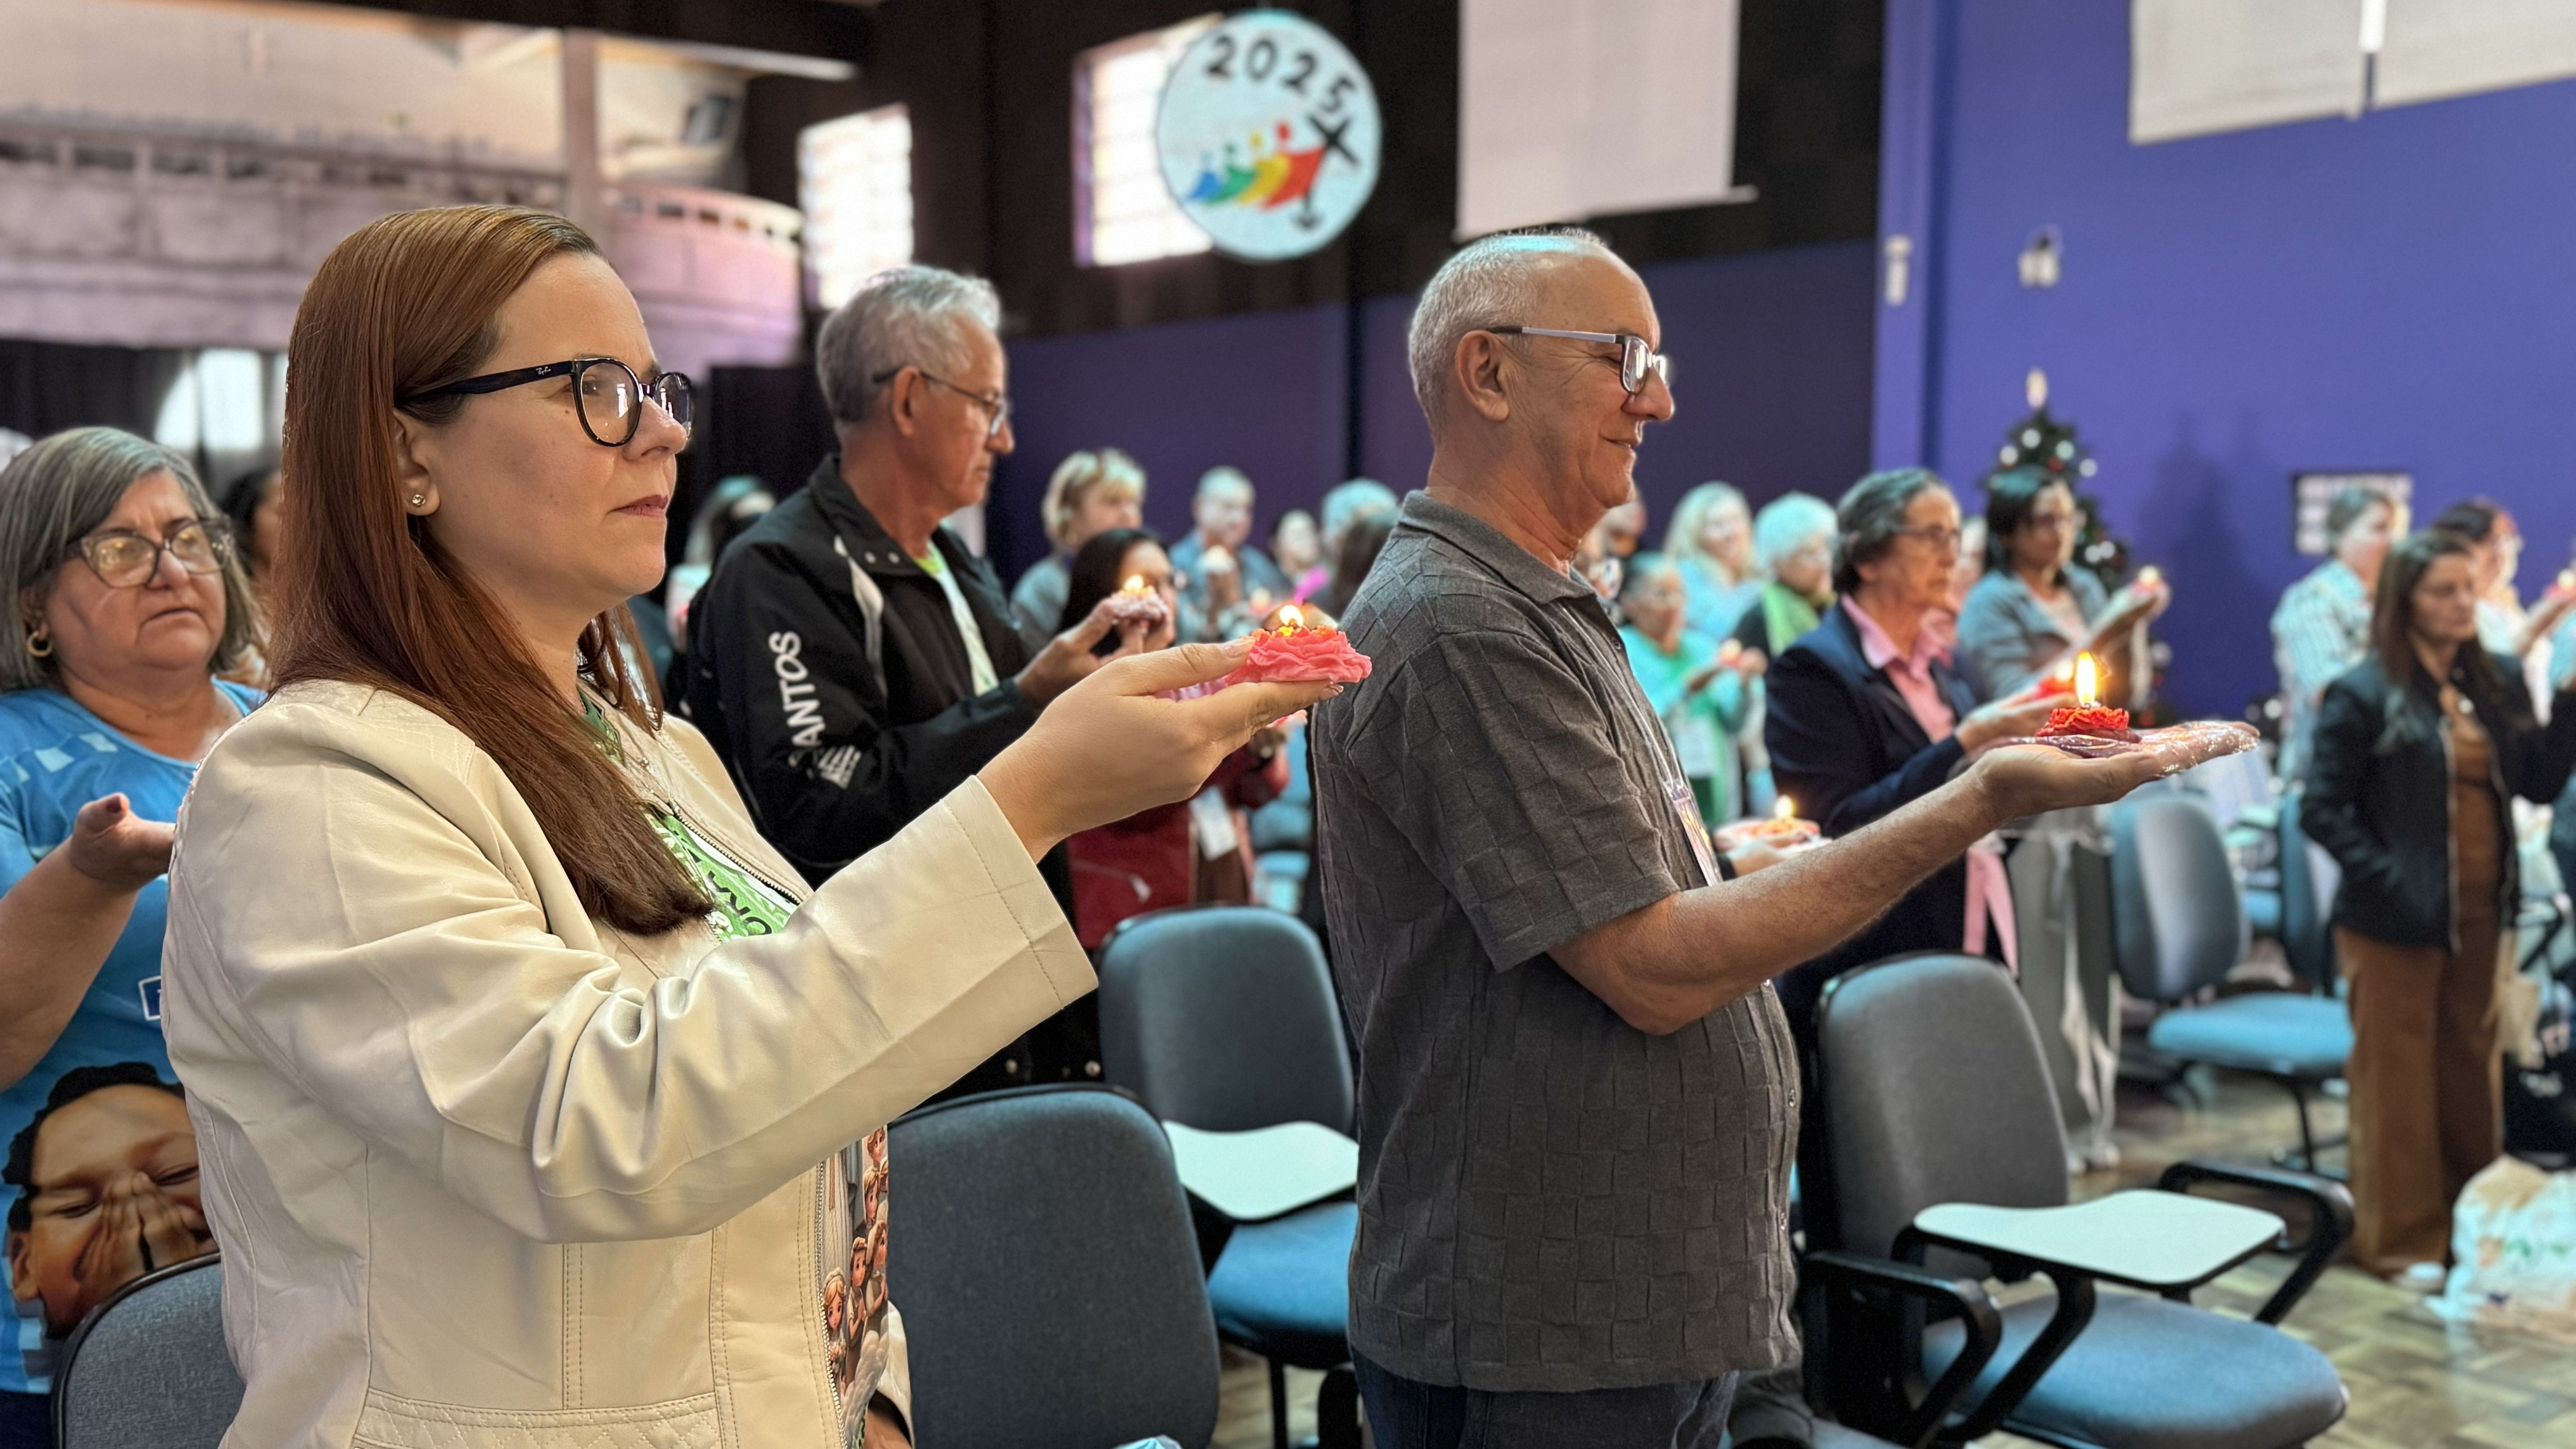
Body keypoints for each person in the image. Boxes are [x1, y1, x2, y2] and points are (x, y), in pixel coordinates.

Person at [161, 204, 1332, 1449]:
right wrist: (1032, 791)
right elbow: (607, 1127)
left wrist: (870, 1389)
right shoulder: (311, 786)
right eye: (596, 388)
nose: (664, 424)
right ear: (405, 453)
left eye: (657, 384)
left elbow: (798, 1098)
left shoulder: (660, 753)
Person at [1308, 228, 2221, 1447]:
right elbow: (1647, 964)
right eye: (1625, 356)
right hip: (1541, 1316)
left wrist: (1756, 847)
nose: (1663, 396)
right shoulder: (1461, 620)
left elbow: (1582, 906)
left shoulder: (1532, 596)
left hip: (1626, 1294)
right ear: (1488, 373)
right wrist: (1980, 798)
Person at [685, 265, 1138, 1090]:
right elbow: (820, 810)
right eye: (987, 405)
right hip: (893, 1039)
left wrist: (1098, 670)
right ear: (907, 400)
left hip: (1008, 997)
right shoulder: (779, 569)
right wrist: (1028, 697)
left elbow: (1021, 720)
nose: (1003, 438)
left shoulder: (952, 556)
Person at [0, 427, 258, 1436]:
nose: (169, 567)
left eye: (189, 536)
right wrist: (93, 874)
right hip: (63, 1328)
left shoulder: (301, 728)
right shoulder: (17, 760)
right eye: (118, 546)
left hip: (306, 1292)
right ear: (32, 605)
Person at [2301, 529, 2576, 1288]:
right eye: (2443, 591)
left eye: (2467, 588)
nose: (2462, 603)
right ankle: (2398, 1242)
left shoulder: (2487, 681)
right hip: (2390, 919)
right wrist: (2386, 875)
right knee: (2395, 1082)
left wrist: (2570, 702)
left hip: (2481, 913)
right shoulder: (2363, 690)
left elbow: (2535, 782)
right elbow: (2320, 810)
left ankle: (2466, 1220)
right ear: (2404, 601)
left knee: (2467, 1074)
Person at [1763, 469, 2063, 1029]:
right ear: (1868, 558)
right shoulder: (1813, 671)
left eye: (1955, 536)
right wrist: (1967, 741)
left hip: (1977, 909)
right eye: (1933, 536)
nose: (1953, 554)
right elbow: (1838, 828)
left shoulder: (1950, 664)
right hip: (1879, 952)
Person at [1056, 528, 1287, 947]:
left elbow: (1260, 793)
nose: (1164, 598)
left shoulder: (1193, 669)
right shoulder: (1083, 686)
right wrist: (1229, 744)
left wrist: (1262, 752)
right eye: (1147, 584)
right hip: (1140, 904)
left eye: (1169, 581)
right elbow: (1140, 803)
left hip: (1221, 885)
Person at [1956, 467, 2169, 703]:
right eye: (2047, 520)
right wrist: (2105, 632)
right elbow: (2010, 704)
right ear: (2007, 533)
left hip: (2094, 736)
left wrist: (2130, 621)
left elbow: (2125, 697)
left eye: (2068, 518)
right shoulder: (1989, 601)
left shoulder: (2083, 585)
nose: (2062, 532)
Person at [2273, 483, 2405, 783]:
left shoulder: (2389, 599)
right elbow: (2329, 691)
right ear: (2340, 534)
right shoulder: (2313, 598)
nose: (2392, 541)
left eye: (2396, 529)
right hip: (2327, 777)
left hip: (2386, 775)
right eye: (2379, 528)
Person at [1619, 552, 1760, 828]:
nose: (1674, 605)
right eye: (1661, 595)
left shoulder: (1703, 647)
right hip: (1658, 804)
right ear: (1629, 603)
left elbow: (1735, 722)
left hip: (1719, 797)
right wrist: (1686, 689)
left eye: (1679, 593)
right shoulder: (1622, 651)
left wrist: (1745, 684)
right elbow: (1634, 729)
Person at [1009, 446, 1147, 644]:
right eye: (1113, 501)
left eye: (1133, 502)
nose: (1128, 513)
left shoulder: (1149, 578)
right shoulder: (1044, 588)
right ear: (1071, 516)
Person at [1169, 465, 1288, 640]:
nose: (1239, 519)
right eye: (1229, 507)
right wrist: (1216, 609)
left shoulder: (1259, 565)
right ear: (1198, 508)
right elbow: (1177, 639)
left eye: (1246, 509)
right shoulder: (1174, 564)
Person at [1731, 491, 1837, 659]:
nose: (1824, 561)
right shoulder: (1759, 620)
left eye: (1827, 547)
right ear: (1776, 562)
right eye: (1809, 553)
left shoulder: (1843, 604)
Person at [1666, 482, 1760, 640]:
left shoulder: (1759, 575)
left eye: (1736, 520)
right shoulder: (1685, 577)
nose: (1731, 533)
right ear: (1696, 534)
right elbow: (1722, 633)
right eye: (1718, 525)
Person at [1271, 507, 1326, 602]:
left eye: (1311, 532)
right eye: (1299, 536)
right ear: (1276, 545)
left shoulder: (1328, 583)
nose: (1308, 540)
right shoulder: (1267, 581)